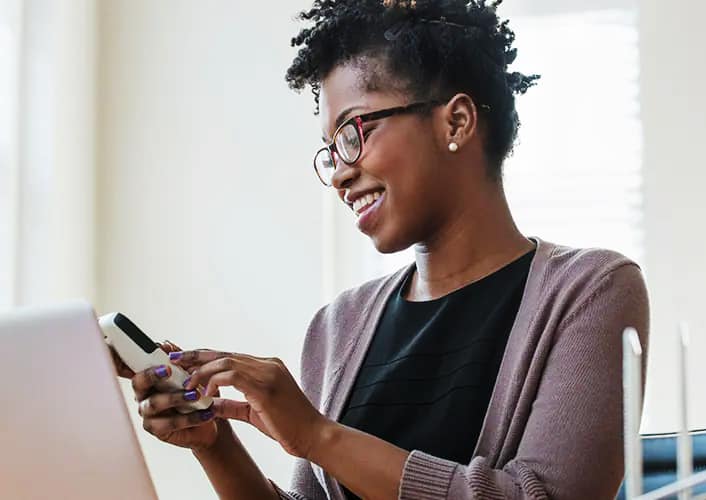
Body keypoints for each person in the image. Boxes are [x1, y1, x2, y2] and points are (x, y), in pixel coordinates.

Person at [118, 1, 650, 498]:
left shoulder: (592, 290)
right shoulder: (338, 325)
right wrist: (215, 443)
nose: (340, 173)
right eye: (331, 150)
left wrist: (319, 436)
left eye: (354, 133)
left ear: (456, 122)